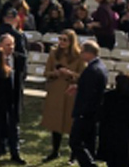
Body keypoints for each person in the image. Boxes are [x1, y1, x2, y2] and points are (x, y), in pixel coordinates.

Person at [41, 30, 85, 162]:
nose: (61, 42)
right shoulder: (54, 53)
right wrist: (55, 73)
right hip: (56, 90)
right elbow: (46, 72)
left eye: (65, 40)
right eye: (60, 39)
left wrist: (70, 74)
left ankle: (73, 154)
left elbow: (83, 76)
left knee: (70, 122)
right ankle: (55, 151)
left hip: (71, 91)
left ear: (71, 42)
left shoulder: (79, 56)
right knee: (56, 121)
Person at [67, 40, 108, 167]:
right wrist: (79, 87)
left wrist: (81, 112)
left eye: (82, 51)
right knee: (89, 143)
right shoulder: (100, 67)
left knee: (75, 142)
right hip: (93, 113)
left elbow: (90, 94)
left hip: (86, 113)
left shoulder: (92, 70)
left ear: (89, 53)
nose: (80, 54)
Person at [96, 73, 129, 167]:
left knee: (111, 160)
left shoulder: (108, 96)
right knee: (123, 160)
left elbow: (101, 114)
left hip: (108, 132)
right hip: (123, 134)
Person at [0, 33, 27, 164]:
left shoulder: (20, 59)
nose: (11, 47)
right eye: (7, 45)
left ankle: (15, 152)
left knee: (14, 126)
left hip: (14, 97)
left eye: (12, 44)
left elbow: (23, 76)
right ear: (0, 46)